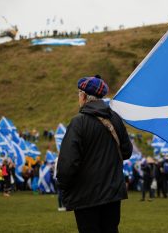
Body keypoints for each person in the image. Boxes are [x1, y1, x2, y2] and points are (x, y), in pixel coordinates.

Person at [57, 75, 133, 233]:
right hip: (112, 195)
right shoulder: (116, 120)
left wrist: (63, 186)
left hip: (86, 197)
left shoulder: (79, 122)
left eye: (79, 93)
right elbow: (127, 152)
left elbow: (68, 163)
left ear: (83, 96)